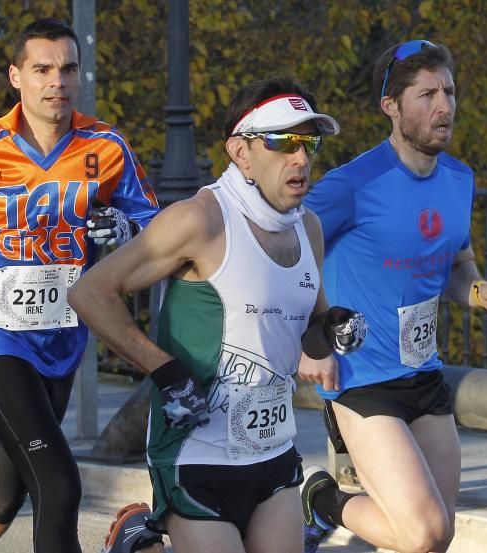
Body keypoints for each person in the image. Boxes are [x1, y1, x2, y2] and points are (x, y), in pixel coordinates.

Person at [71, 77, 366, 553]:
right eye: (283, 141)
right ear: (240, 152)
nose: (301, 157)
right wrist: (167, 373)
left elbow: (310, 331)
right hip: (198, 453)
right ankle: (137, 541)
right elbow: (90, 293)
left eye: (308, 141)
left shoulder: (308, 227)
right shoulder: (201, 220)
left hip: (273, 449)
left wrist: (331, 325)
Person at [0, 18, 159, 553]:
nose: (57, 82)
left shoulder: (106, 147)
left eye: (68, 69)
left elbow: (156, 226)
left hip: (62, 342)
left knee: (3, 494)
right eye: (42, 69)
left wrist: (123, 227)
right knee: (59, 483)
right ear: (16, 77)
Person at [298, 40, 487, 553]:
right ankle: (323, 501)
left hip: (423, 373)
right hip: (360, 380)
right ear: (390, 107)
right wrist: (313, 338)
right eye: (426, 95)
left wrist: (484, 292)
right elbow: (289, 251)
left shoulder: (459, 179)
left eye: (449, 91)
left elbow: (457, 266)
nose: (444, 106)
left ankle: (327, 506)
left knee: (438, 534)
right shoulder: (352, 184)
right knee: (421, 533)